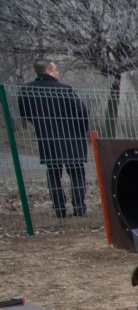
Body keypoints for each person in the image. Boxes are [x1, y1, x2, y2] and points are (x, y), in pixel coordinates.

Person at [17, 58, 90, 218]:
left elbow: (25, 114)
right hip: (72, 139)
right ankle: (79, 208)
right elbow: (82, 112)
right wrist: (81, 131)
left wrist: (41, 125)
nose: (57, 72)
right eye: (55, 69)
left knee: (53, 174)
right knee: (77, 174)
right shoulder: (64, 89)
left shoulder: (26, 90)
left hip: (47, 140)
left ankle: (59, 210)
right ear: (49, 71)